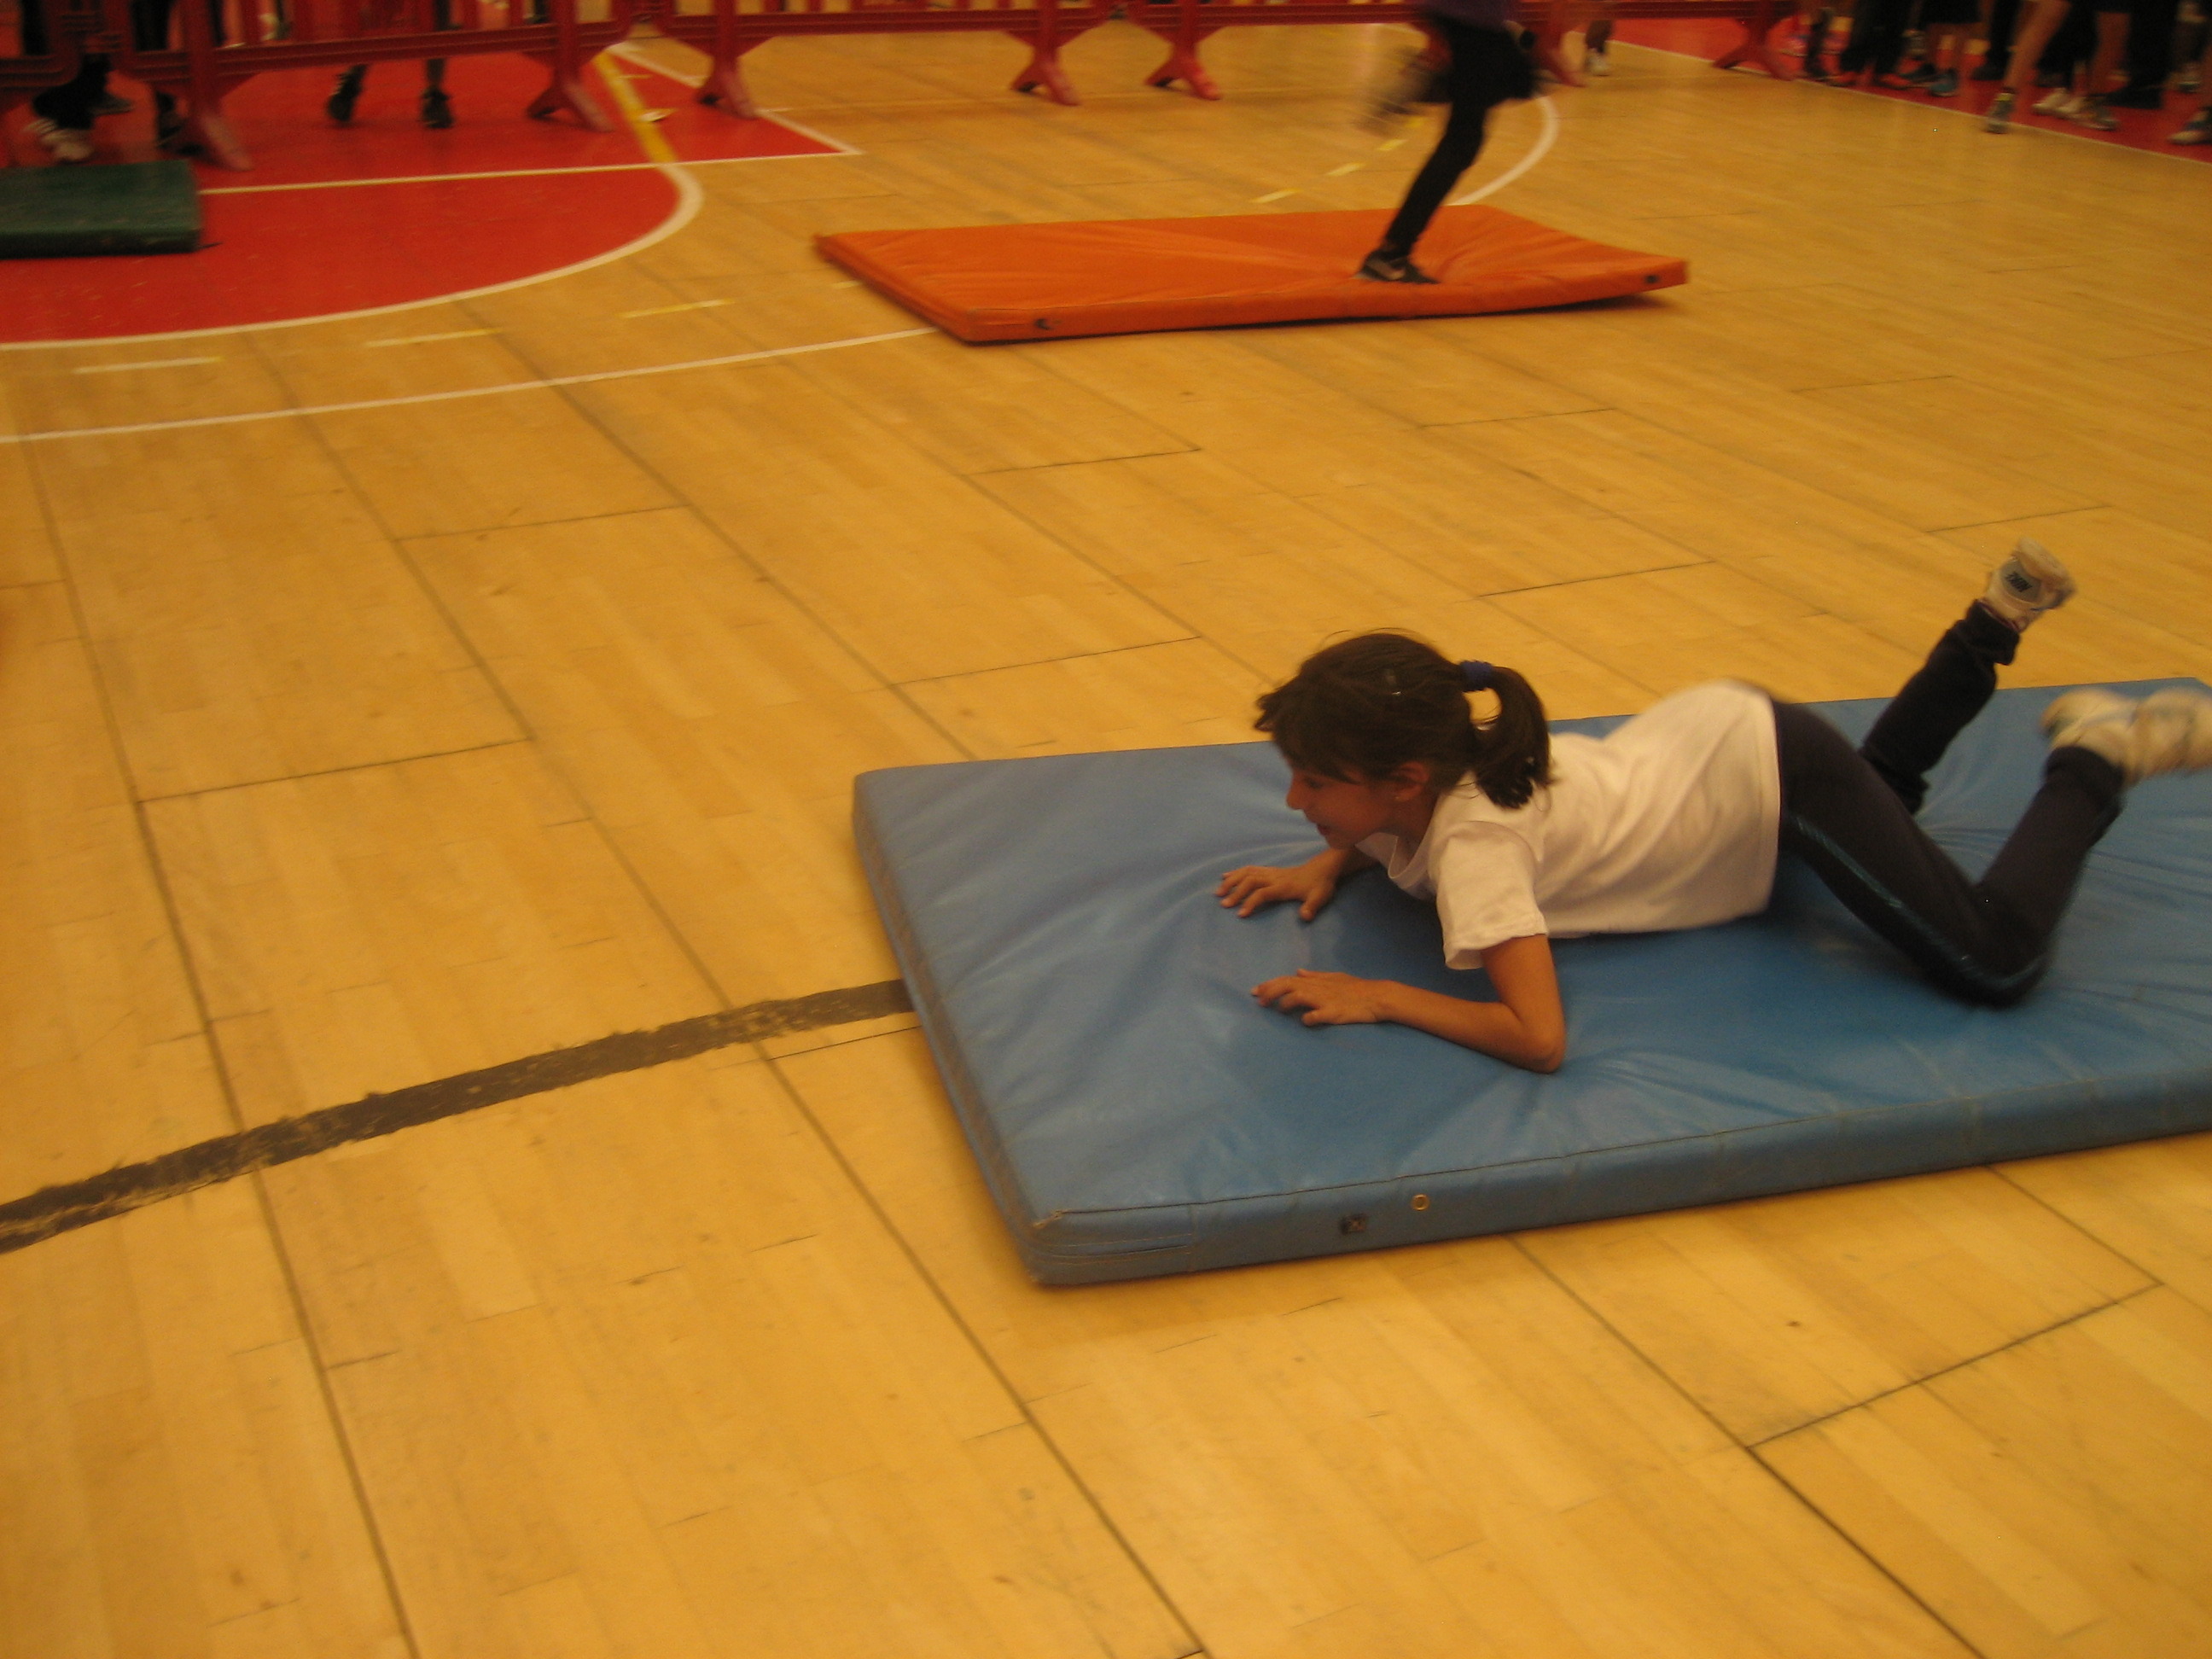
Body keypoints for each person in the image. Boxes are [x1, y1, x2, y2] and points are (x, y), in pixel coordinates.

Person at [1215, 544, 2212, 1073]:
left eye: (1316, 784)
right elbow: (1397, 824)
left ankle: (2096, 756)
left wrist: (1379, 995)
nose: (1296, 799)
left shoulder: (1479, 845)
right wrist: (1328, 857)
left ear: (1404, 779)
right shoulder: (1439, 772)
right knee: (1884, 800)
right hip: (1719, 744)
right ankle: (1992, 621)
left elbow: (1539, 1036)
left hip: (1765, 779)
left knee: (1993, 959)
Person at [1354, 0, 1537, 283]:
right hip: (1473, 26)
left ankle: (1431, 79)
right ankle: (1392, 253)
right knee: (1463, 142)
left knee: (1519, 81)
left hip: (1469, 22)